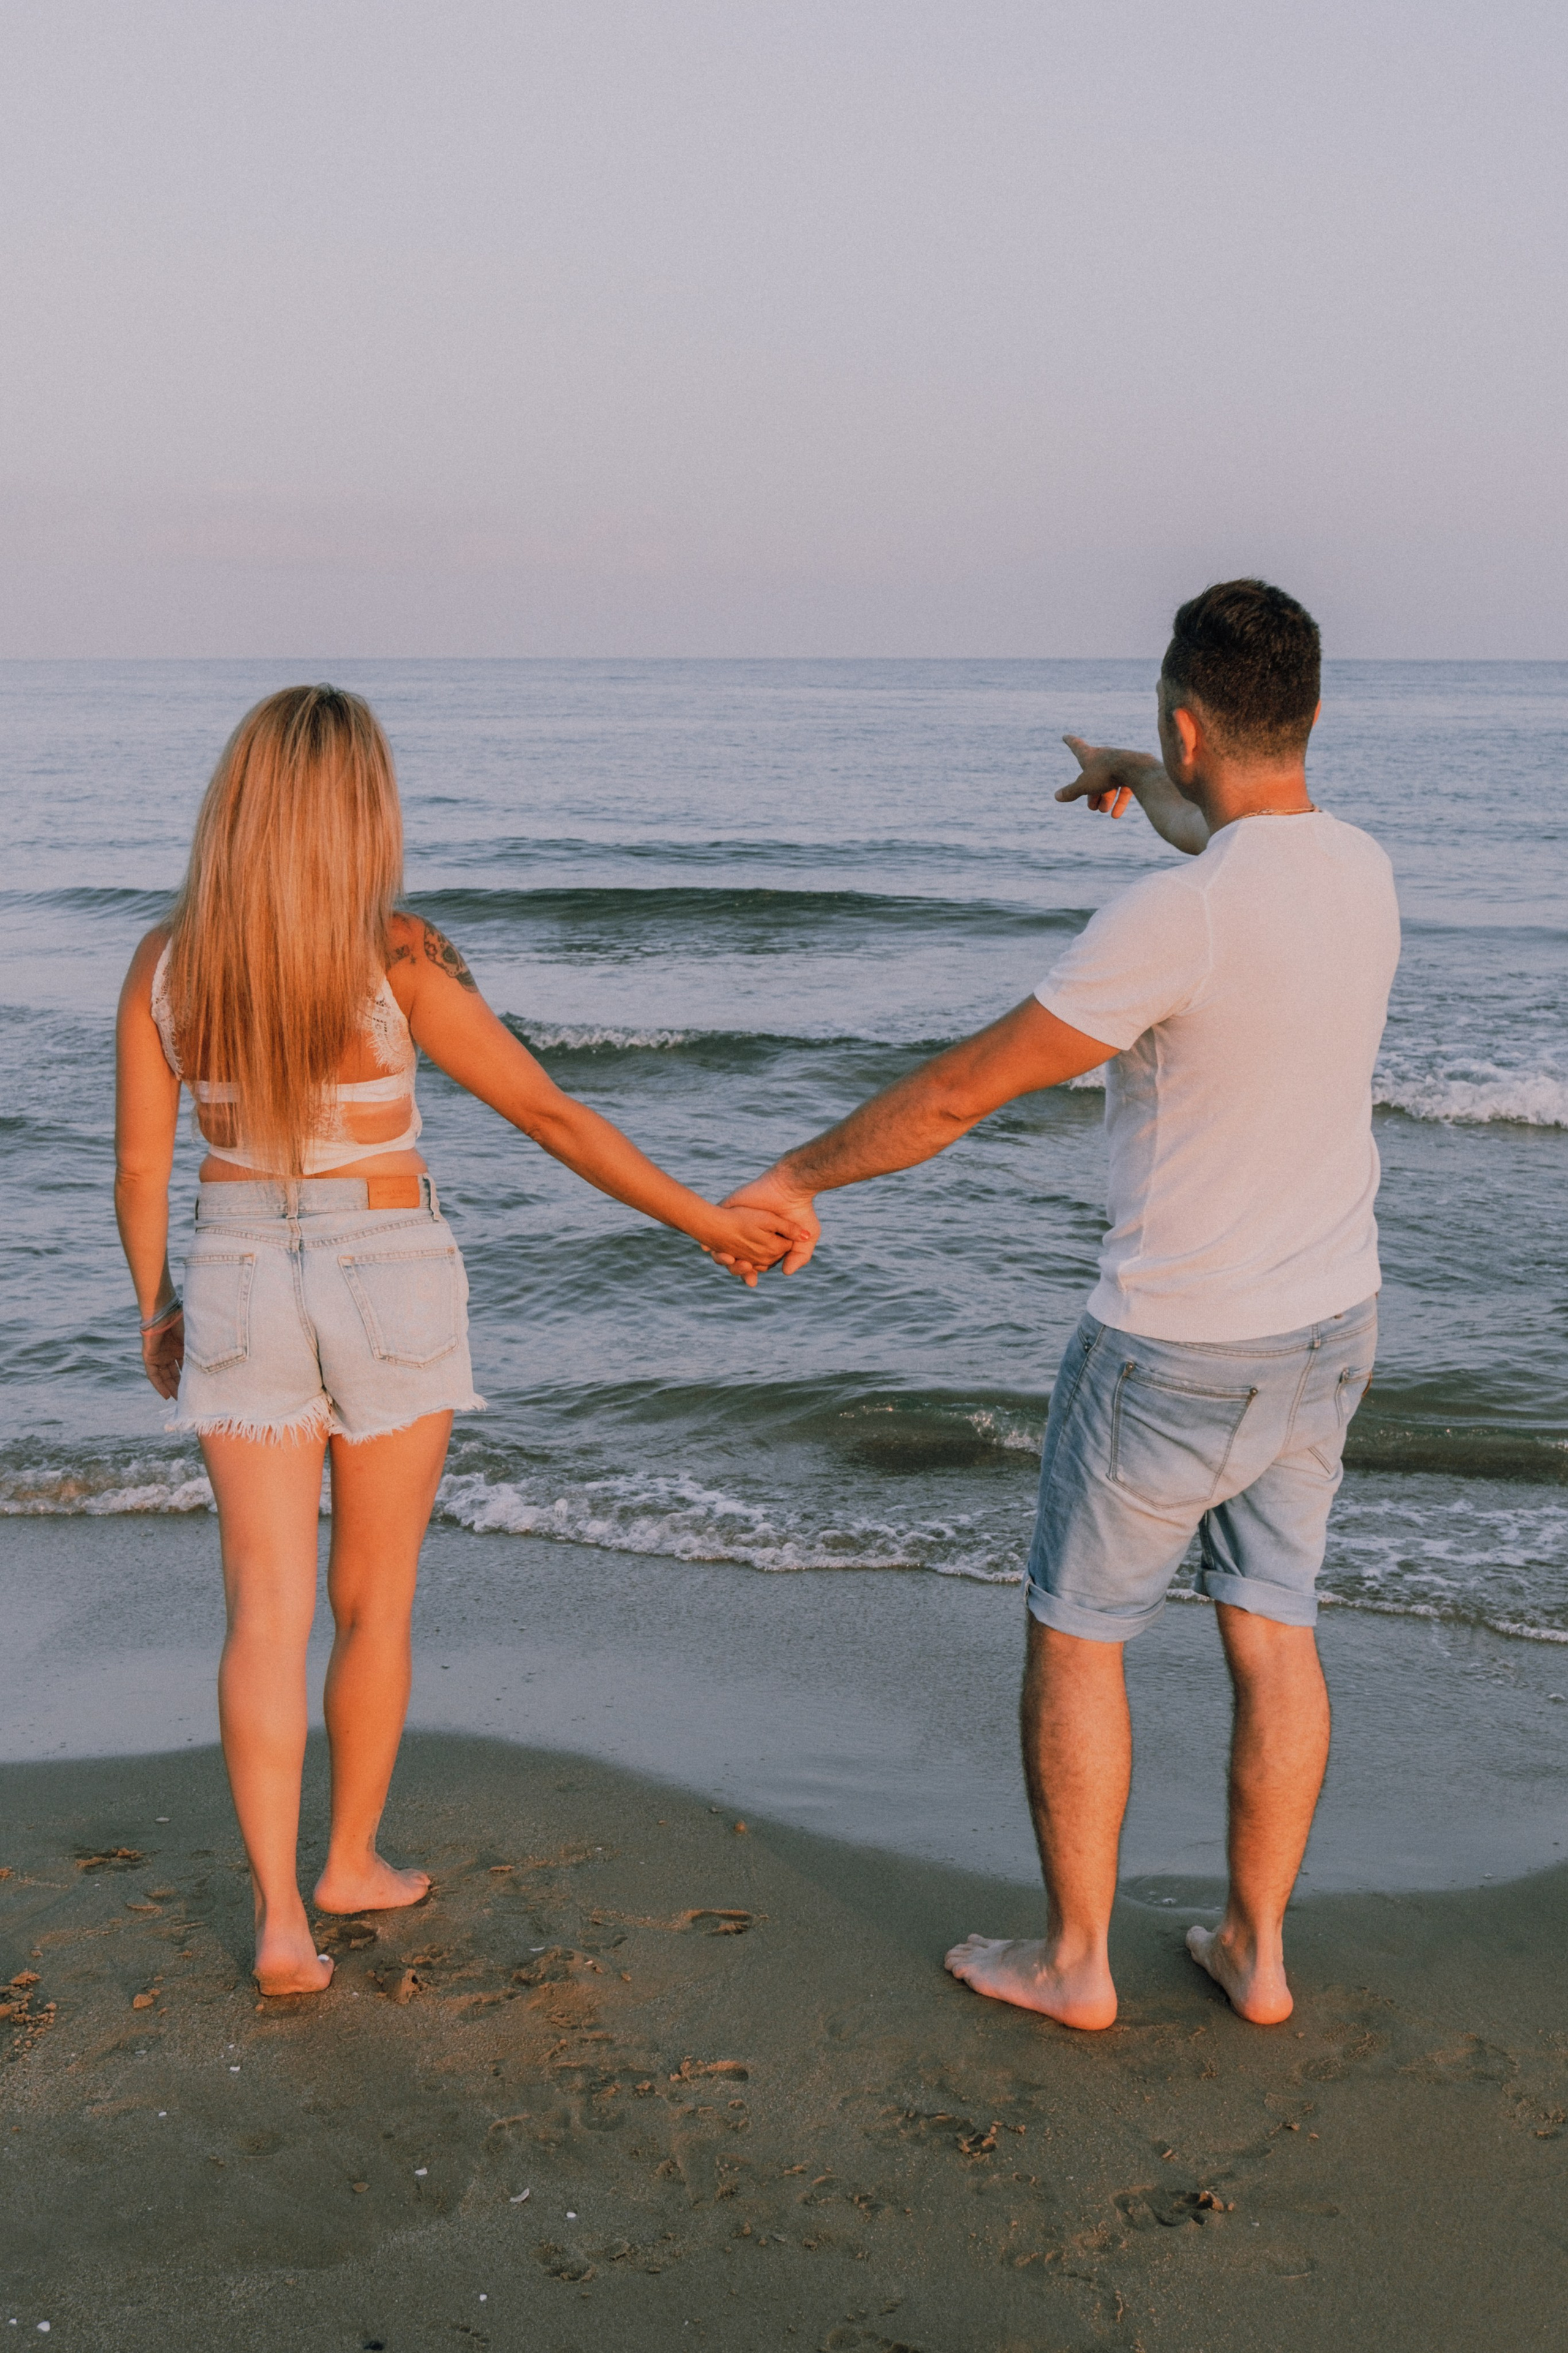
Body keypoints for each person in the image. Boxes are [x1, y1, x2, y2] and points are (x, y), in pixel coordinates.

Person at [719, 581, 1400, 2028]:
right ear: (1308, 714)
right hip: (1329, 1324)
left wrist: (797, 1174)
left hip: (1175, 1345)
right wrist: (1136, 773)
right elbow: (1225, 831)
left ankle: (1076, 1961)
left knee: (1078, 1636)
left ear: (1187, 721)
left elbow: (961, 1090)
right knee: (1270, 1627)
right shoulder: (1357, 868)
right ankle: (1255, 1951)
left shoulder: (1173, 917)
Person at [115, 685, 803, 1996]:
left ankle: (279, 1925)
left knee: (264, 1609)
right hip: (387, 1265)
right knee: (373, 1600)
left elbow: (141, 1169)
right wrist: (704, 1221)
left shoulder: (164, 963)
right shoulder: (401, 954)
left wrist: (156, 1307)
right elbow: (548, 1113)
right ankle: (349, 1861)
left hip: (235, 1268)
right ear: (361, 811)